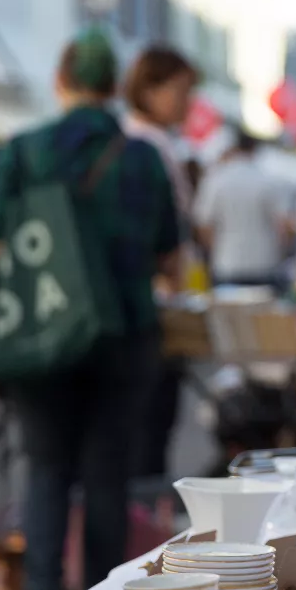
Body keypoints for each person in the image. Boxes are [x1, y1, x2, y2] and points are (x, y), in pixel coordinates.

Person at [0, 30, 180, 590]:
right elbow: (170, 260)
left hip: (42, 334)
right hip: (125, 334)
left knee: (45, 466)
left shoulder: (22, 151)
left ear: (60, 81)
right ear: (114, 88)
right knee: (106, 475)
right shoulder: (141, 157)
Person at [121, 46, 198, 480]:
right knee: (148, 434)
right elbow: (162, 239)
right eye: (180, 91)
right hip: (151, 306)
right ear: (150, 90)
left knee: (148, 434)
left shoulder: (154, 142)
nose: (187, 103)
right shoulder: (144, 146)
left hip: (152, 301)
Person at [193, 132, 290, 287]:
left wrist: (216, 250)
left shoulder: (216, 180)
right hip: (264, 263)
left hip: (227, 263)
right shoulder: (268, 180)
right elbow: (283, 226)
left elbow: (203, 224)